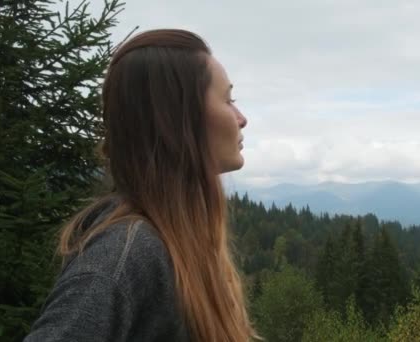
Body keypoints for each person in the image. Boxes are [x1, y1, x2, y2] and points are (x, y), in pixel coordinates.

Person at [24, 29, 260, 342]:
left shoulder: (178, 241)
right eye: (228, 100)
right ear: (177, 119)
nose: (241, 118)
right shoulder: (127, 252)